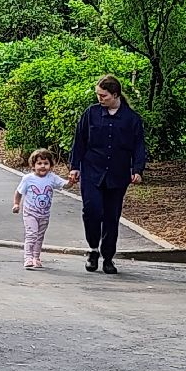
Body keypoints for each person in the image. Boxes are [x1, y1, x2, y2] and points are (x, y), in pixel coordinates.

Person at [67, 75, 146, 275]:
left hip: (117, 173)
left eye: (104, 96)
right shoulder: (91, 113)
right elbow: (80, 140)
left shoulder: (131, 119)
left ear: (115, 95)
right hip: (92, 170)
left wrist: (137, 169)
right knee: (91, 210)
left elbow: (138, 146)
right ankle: (93, 248)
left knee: (112, 216)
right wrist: (74, 166)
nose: (100, 99)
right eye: (98, 95)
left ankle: (108, 256)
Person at [13, 148, 69, 270]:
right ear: (33, 165)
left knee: (40, 236)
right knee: (32, 234)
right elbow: (18, 192)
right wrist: (16, 204)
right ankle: (28, 257)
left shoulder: (52, 178)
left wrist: (72, 181)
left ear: (50, 165)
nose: (42, 166)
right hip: (30, 213)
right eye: (39, 163)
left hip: (44, 214)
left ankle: (36, 258)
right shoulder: (28, 179)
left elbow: (64, 185)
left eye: (46, 163)